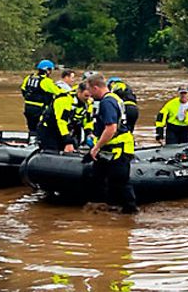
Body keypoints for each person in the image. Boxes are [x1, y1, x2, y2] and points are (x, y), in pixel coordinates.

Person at [86, 74, 137, 214]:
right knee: (98, 177)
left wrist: (97, 146)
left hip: (118, 148)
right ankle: (104, 210)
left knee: (120, 182)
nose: (89, 94)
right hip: (110, 148)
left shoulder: (107, 102)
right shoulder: (115, 98)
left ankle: (130, 214)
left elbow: (111, 128)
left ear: (96, 88)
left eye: (90, 90)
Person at [38, 78, 93, 153]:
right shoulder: (64, 100)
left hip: (67, 129)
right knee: (52, 151)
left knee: (73, 149)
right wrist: (68, 141)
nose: (88, 99)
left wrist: (89, 133)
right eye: (86, 96)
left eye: (91, 96)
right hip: (49, 129)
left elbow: (88, 121)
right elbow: (61, 122)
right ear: (79, 92)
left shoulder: (88, 103)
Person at [21, 60, 66, 133]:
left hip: (27, 107)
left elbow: (23, 89)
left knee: (31, 127)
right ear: (47, 70)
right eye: (50, 70)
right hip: (40, 108)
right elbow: (58, 92)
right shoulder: (45, 81)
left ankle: (31, 139)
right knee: (41, 128)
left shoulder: (29, 78)